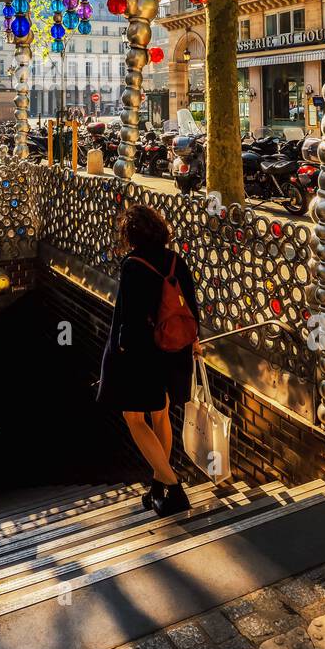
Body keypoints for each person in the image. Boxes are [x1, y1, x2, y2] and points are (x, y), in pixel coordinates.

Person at [98, 203, 201, 517]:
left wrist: (121, 354)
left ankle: (174, 485)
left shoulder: (133, 265)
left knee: (134, 418)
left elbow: (128, 317)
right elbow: (192, 303)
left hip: (143, 354)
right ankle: (158, 487)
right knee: (161, 414)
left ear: (131, 235)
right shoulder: (174, 260)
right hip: (175, 348)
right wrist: (194, 341)